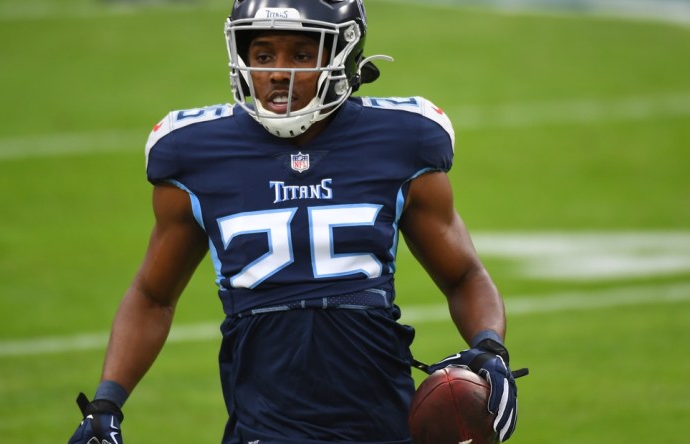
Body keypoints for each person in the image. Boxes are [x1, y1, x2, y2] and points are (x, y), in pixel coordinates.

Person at [68, 0, 522, 443]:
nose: (276, 72)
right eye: (263, 54)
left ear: (343, 57)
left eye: (301, 55)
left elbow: (464, 275)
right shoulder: (194, 154)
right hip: (263, 424)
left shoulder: (402, 141)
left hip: (383, 419)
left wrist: (489, 348)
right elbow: (152, 295)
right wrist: (106, 404)